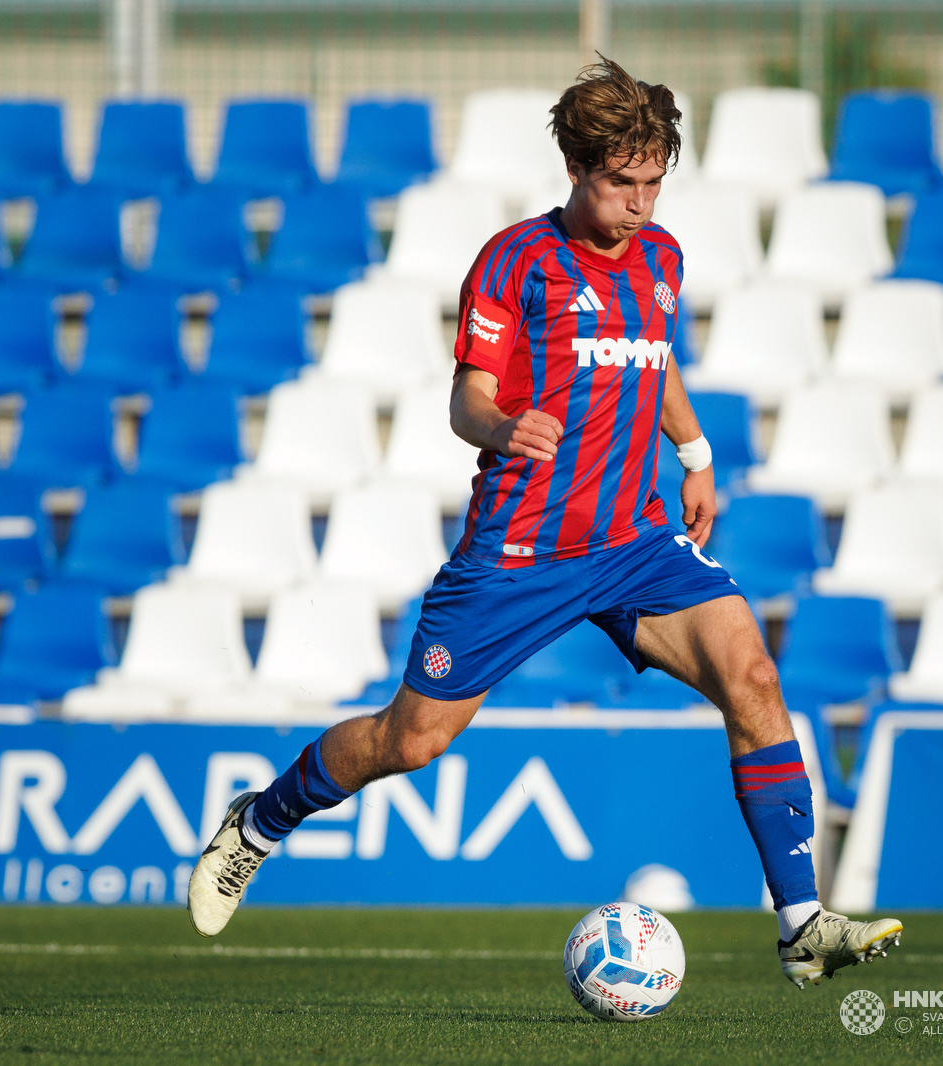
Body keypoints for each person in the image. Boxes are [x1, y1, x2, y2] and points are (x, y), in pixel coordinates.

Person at [188, 58, 902, 989]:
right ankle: (262, 821)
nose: (640, 203)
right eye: (622, 182)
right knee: (411, 742)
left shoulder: (663, 257)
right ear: (576, 167)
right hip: (522, 553)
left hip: (638, 543)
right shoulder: (515, 258)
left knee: (754, 674)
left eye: (653, 182)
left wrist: (694, 454)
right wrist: (503, 426)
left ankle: (802, 924)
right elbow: (465, 401)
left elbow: (657, 357)